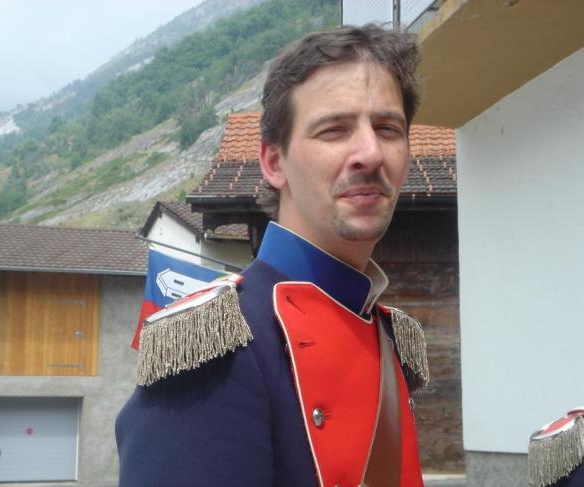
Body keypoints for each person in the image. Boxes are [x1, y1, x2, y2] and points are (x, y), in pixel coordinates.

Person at [116, 23, 429, 487]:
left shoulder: (390, 338)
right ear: (274, 162)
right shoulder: (219, 344)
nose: (370, 153)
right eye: (334, 130)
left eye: (388, 129)